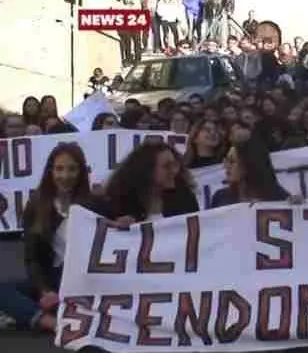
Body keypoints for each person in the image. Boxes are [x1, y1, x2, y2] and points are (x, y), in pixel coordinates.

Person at [0, 144, 99, 332]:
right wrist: (44, 290)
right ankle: (54, 323)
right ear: (50, 171)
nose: (65, 176)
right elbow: (32, 258)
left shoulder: (95, 204)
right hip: (52, 282)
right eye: (59, 169)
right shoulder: (37, 205)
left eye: (72, 169)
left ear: (81, 171)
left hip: (86, 283)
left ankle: (30, 315)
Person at [101, 141, 199, 226]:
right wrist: (116, 227)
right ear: (147, 171)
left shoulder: (186, 200)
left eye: (175, 165)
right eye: (166, 166)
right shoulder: (116, 203)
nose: (174, 171)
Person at [211, 136, 297, 207]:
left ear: (248, 164)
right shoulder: (220, 198)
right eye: (226, 161)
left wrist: (298, 206)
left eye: (232, 161)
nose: (226, 166)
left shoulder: (277, 195)